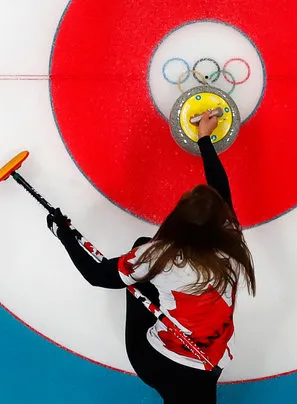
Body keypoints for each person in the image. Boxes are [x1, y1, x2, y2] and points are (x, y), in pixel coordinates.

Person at [46, 111, 256, 403]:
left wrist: (65, 236)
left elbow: (98, 276)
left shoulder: (160, 256)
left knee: (135, 269)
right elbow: (221, 189)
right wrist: (205, 140)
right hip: (212, 360)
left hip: (159, 362)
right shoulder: (231, 241)